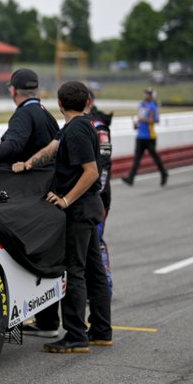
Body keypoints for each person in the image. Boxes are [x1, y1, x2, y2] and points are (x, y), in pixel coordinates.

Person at [13, 81, 112, 353]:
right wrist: (29, 163)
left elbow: (90, 172)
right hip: (91, 208)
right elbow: (52, 149)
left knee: (76, 271)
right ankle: (102, 330)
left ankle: (76, 336)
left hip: (79, 210)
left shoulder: (77, 131)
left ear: (59, 103)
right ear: (86, 102)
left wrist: (66, 199)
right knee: (94, 270)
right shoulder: (78, 126)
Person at [86, 88, 114, 295]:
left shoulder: (99, 127)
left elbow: (103, 165)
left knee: (96, 241)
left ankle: (105, 286)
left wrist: (96, 191)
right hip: (87, 195)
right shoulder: (81, 123)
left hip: (98, 195)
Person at [122, 87, 168, 186]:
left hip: (150, 137)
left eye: (149, 94)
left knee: (155, 158)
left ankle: (164, 173)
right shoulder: (141, 105)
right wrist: (137, 124)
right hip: (140, 136)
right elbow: (140, 119)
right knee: (137, 159)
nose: (147, 95)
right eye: (146, 93)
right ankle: (131, 178)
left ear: (152, 95)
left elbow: (155, 120)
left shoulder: (153, 106)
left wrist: (144, 120)